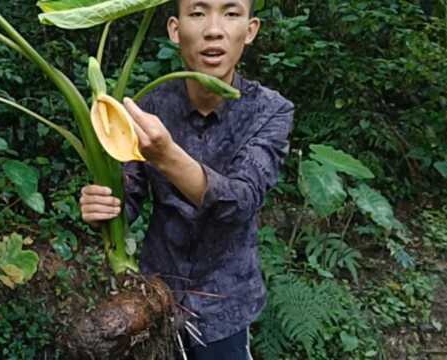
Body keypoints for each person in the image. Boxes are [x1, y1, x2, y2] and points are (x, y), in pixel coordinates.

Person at [79, 0, 294, 358]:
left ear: (250, 30)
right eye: (198, 12)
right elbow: (127, 197)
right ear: (175, 31)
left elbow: (241, 202)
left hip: (226, 307)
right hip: (152, 297)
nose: (213, 29)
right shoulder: (148, 106)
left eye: (231, 12)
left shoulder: (270, 110)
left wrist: (167, 156)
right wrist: (102, 205)